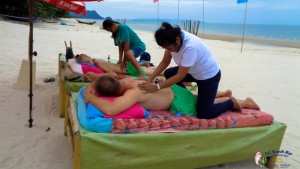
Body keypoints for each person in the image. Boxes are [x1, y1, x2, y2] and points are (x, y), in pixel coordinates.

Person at [138, 22, 235, 119]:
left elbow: (180, 76)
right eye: (166, 48)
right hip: (193, 71)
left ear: (177, 40)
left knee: (204, 113)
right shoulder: (172, 37)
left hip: (208, 76)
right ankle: (190, 95)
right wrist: (150, 78)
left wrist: (157, 87)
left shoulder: (190, 47)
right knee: (169, 73)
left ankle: (231, 103)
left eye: (170, 48)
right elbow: (165, 62)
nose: (169, 50)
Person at [84, 76, 260, 116]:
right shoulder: (126, 80)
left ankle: (237, 102)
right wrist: (91, 86)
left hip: (175, 100)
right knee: (197, 99)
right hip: (174, 90)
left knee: (201, 109)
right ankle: (236, 99)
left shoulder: (134, 93)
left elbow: (111, 109)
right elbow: (103, 79)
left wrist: (89, 96)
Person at [74, 54, 161, 81]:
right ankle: (144, 63)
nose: (90, 65)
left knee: (154, 72)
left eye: (88, 62)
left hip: (127, 69)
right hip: (126, 69)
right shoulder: (97, 63)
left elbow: (112, 73)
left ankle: (170, 71)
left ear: (90, 57)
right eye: (87, 64)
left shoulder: (97, 63)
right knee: (152, 71)